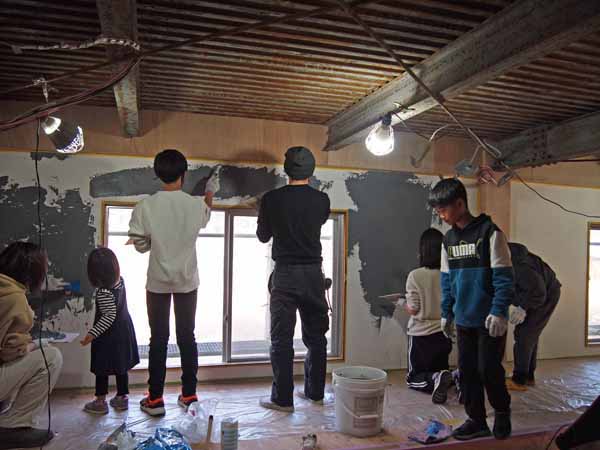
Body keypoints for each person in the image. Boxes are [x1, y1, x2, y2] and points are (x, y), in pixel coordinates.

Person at [128, 149, 218, 416]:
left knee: (158, 338)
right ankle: (189, 395)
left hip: (157, 281)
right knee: (187, 336)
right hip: (187, 281)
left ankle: (155, 399)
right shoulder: (195, 205)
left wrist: (154, 243)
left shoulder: (145, 206)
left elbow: (139, 244)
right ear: (184, 174)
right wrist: (210, 191)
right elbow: (205, 215)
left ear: (157, 174)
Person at [428, 178, 514, 441]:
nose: (441, 216)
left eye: (444, 209)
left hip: (489, 320)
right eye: (438, 211)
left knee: (489, 370)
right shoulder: (448, 240)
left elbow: (504, 277)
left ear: (460, 204)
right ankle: (476, 420)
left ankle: (502, 412)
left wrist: (499, 310)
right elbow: (446, 280)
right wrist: (446, 313)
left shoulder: (490, 233)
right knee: (466, 372)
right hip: (463, 318)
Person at [256, 146, 330, 412]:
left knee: (281, 338)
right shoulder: (322, 200)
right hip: (313, 274)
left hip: (285, 274)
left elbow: (263, 236)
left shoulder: (271, 199)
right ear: (311, 171)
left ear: (286, 170)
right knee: (316, 336)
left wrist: (267, 215)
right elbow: (317, 222)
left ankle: (283, 399)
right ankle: (315, 393)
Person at [0, 242, 63, 449]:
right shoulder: (14, 299)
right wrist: (32, 346)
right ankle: (13, 426)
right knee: (51, 356)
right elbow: (10, 352)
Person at [81, 247, 139, 414]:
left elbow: (108, 317)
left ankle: (100, 401)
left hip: (108, 337)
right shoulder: (120, 281)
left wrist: (91, 335)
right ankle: (122, 398)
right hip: (124, 331)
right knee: (121, 366)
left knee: (101, 367)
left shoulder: (104, 293)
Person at [404, 228, 454, 404]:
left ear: (423, 250)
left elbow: (413, 309)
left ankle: (435, 379)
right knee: (441, 369)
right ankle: (453, 376)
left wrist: (402, 303)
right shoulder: (449, 274)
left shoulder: (415, 276)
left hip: (421, 336)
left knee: (413, 378)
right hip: (444, 333)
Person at [506, 242, 561, 391]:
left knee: (525, 335)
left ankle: (519, 380)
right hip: (533, 292)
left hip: (545, 294)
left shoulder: (517, 265)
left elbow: (538, 293)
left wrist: (522, 308)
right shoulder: (501, 255)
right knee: (529, 335)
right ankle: (528, 376)